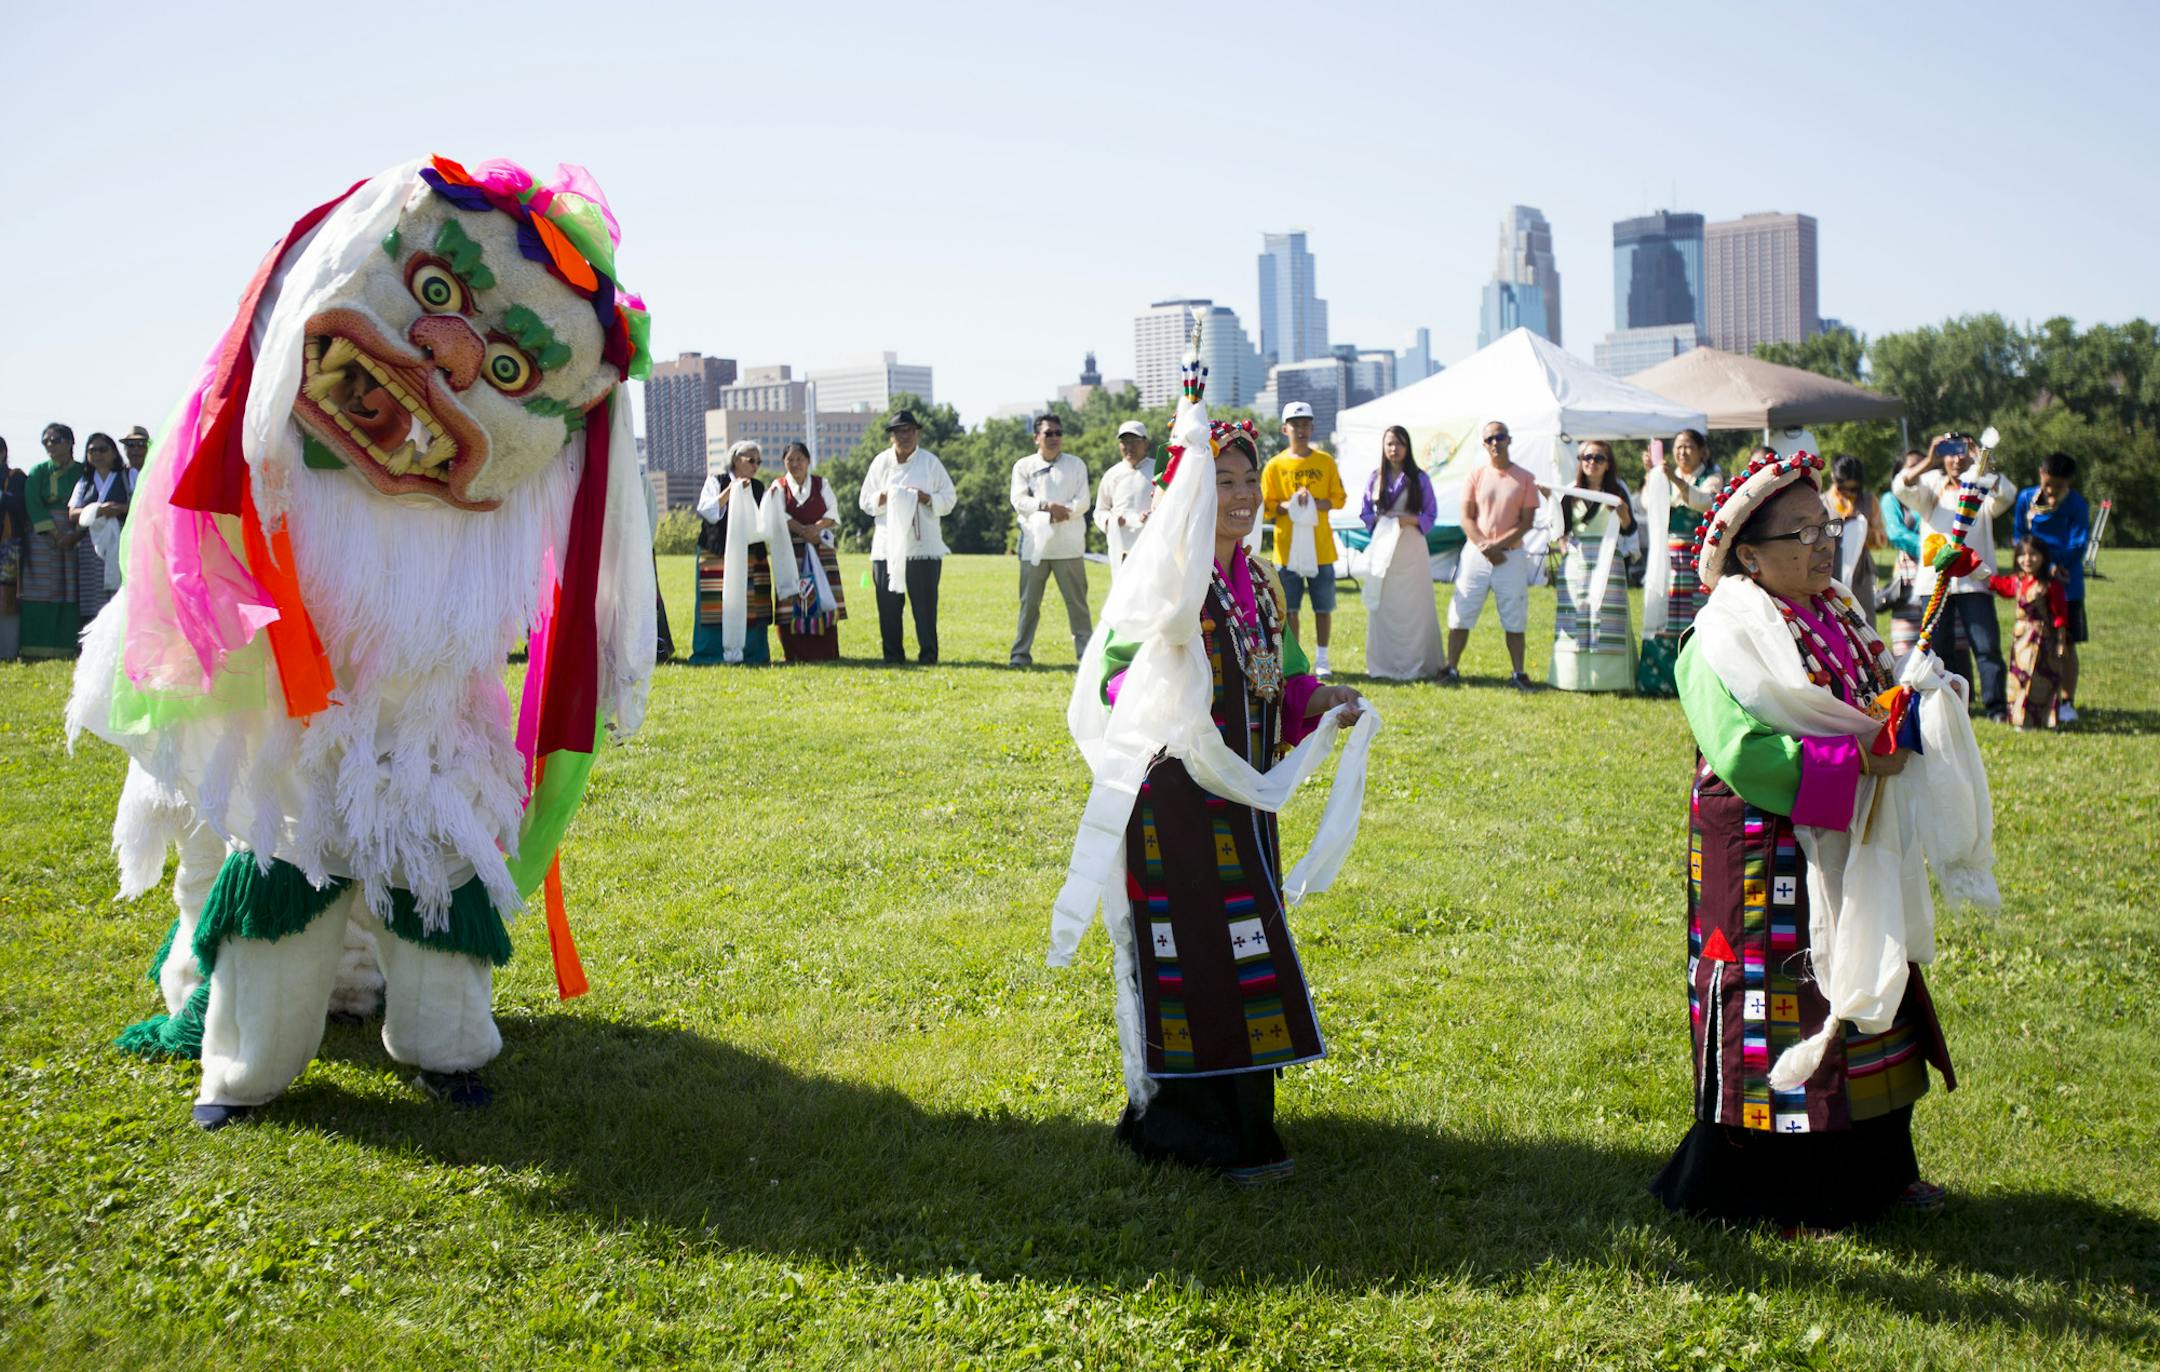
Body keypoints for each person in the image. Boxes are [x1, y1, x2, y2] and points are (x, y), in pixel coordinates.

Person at [1649, 449, 1996, 1233]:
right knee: (1782, 1009)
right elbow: (1743, 755)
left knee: (1873, 980)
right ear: (1747, 553)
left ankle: (1879, 1173)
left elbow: (1867, 697)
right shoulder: (1719, 638)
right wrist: (1859, 756)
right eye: (1800, 532)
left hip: (1852, 836)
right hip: (1762, 849)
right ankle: (1777, 1193)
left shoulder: (1836, 610)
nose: (1821, 544)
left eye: (1825, 527)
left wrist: (1906, 710)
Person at [1047, 374, 1375, 1185]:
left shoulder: (1261, 584)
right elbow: (1113, 682)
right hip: (1176, 807)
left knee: (1245, 945)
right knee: (1193, 951)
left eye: (1245, 481)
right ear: (1189, 486)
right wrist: (1167, 688)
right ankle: (1187, 1126)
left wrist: (1323, 700)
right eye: (1220, 480)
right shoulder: (1164, 581)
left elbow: (1281, 680)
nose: (1237, 496)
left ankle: (1241, 1119)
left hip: (1243, 804)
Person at [1893, 433, 2015, 721]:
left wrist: (1982, 462)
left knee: (1985, 645)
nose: (1957, 458)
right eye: (1950, 452)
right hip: (1935, 579)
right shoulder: (1932, 483)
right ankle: (1945, 705)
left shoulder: (1979, 482)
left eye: (1963, 452)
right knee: (1938, 647)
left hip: (1973, 578)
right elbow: (1900, 486)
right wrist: (1929, 459)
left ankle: (1995, 707)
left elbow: (2006, 495)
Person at [1441, 420, 1539, 689]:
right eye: (1490, 439)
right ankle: (1451, 668)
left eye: (1500, 437)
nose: (1495, 442)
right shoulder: (1476, 475)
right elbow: (1466, 517)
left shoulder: (1526, 478)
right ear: (1484, 445)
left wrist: (1498, 546)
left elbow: (1526, 521)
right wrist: (1485, 545)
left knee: (1514, 615)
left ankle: (1518, 672)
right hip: (1476, 554)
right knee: (1461, 611)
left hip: (1511, 556)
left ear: (1509, 440)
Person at [858, 410, 957, 665]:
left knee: (925, 607)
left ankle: (928, 656)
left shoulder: (930, 462)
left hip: (923, 545)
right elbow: (865, 501)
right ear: (892, 436)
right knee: (888, 606)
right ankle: (892, 656)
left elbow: (949, 499)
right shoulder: (880, 462)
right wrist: (886, 495)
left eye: (909, 431)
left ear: (918, 433)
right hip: (887, 546)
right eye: (899, 431)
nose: (905, 436)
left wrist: (924, 497)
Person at [1260, 401, 1347, 676]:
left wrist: (1313, 504)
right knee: (1290, 609)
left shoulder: (1325, 461)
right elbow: (1266, 507)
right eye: (1295, 425)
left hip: (1321, 548)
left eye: (1305, 424)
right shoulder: (1275, 466)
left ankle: (1322, 658)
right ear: (1285, 429)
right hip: (1287, 550)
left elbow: (1339, 499)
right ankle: (1295, 660)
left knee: (1323, 606)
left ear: (1312, 427)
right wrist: (1290, 506)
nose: (1301, 430)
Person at [1636, 429, 1722, 696]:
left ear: (1702, 451)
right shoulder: (1665, 476)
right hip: (1667, 555)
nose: (1682, 452)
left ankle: (1695, 681)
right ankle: (1658, 679)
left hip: (1696, 554)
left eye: (1688, 447)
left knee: (1693, 616)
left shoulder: (1712, 478)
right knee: (1664, 611)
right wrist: (1651, 476)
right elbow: (1648, 504)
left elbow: (1706, 503)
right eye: (1678, 447)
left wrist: (1673, 478)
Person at [1549, 440, 1637, 692]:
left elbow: (1630, 528)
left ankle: (1609, 679)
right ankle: (1572, 678)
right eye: (1586, 457)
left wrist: (1622, 512)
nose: (1592, 462)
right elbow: (1561, 529)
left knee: (1606, 618)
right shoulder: (1571, 491)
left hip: (1609, 559)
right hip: (1578, 562)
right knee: (1576, 615)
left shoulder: (1617, 490)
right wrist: (1551, 502)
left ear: (1608, 463)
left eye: (1599, 458)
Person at [1358, 425, 1443, 681]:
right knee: (1384, 605)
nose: (1394, 449)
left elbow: (1430, 514)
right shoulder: (1375, 478)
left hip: (1410, 546)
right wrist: (1380, 520)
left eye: (1399, 444)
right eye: (1390, 444)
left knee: (1415, 606)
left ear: (1408, 447)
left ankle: (1418, 663)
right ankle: (1384, 663)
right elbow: (1365, 513)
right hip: (1384, 546)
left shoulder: (1419, 479)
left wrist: (1409, 519)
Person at [1008, 414, 1093, 667]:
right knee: (1029, 605)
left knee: (1077, 605)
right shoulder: (1023, 466)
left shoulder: (1076, 464)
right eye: (1049, 433)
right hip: (1034, 547)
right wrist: (1046, 507)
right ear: (1037, 437)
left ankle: (1085, 656)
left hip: (1069, 546)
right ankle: (1020, 655)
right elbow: (1019, 501)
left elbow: (1083, 502)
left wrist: (1061, 513)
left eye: (1058, 433)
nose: (1055, 438)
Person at [2013, 452, 2090, 723]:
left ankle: (2067, 702)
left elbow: (2079, 543)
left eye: (2057, 487)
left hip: (2066, 586)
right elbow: (2018, 535)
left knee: (2064, 644)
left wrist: (2057, 565)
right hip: (2033, 585)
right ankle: (2032, 696)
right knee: (2031, 640)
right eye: (2047, 484)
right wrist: (2030, 565)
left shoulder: (2077, 505)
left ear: (2068, 482)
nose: (2050, 491)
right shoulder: (2026, 499)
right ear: (2040, 474)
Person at [691, 441, 774, 665]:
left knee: (753, 603)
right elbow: (707, 511)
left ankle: (753, 653)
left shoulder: (758, 487)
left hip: (750, 553)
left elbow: (764, 519)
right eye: (751, 460)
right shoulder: (716, 481)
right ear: (736, 460)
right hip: (716, 551)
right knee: (715, 603)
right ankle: (712, 652)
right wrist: (732, 490)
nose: (756, 465)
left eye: (759, 461)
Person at [773, 441, 847, 662]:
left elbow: (833, 512)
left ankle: (825, 650)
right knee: (792, 598)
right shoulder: (778, 486)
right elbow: (777, 514)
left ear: (808, 461)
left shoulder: (821, 483)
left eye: (800, 459)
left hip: (820, 547)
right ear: (784, 462)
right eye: (790, 460)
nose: (795, 464)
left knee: (823, 596)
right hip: (790, 551)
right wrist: (802, 530)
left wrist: (816, 528)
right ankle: (794, 651)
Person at [1987, 537, 2069, 731]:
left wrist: (2061, 642)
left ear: (2043, 557)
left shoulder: (2049, 585)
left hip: (2043, 640)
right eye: (2023, 555)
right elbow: (2000, 586)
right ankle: (2020, 718)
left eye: (2033, 554)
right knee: (2019, 678)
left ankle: (2046, 720)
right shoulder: (2018, 581)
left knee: (2043, 680)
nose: (2028, 559)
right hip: (2021, 640)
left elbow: (2059, 615)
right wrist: (1974, 571)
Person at [20, 423, 84, 659]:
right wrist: (56, 535)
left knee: (72, 589)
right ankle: (35, 646)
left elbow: (87, 499)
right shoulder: (38, 471)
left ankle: (67, 646)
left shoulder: (81, 471)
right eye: (46, 441)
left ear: (69, 443)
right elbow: (33, 504)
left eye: (55, 440)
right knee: (41, 589)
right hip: (43, 537)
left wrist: (74, 534)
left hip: (76, 534)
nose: (50, 445)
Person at [68, 431, 133, 622]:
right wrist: (98, 510)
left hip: (120, 537)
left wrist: (119, 508)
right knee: (93, 591)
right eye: (92, 450)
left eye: (102, 449)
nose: (97, 454)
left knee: (121, 587)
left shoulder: (126, 476)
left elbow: (139, 504)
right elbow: (72, 513)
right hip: (92, 543)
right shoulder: (84, 481)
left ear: (113, 453)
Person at [1878, 449, 1929, 660]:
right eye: (1911, 467)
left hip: (1938, 572)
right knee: (1907, 649)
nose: (1918, 472)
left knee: (1943, 641)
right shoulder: (1892, 499)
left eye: (1923, 466)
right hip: (1909, 577)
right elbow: (1895, 532)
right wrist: (1929, 547)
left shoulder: (1933, 494)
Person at [1825, 455, 1887, 618]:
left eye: (1853, 489)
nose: (1848, 493)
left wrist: (1862, 530)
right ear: (1833, 478)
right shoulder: (1822, 502)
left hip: (1861, 572)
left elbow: (1881, 539)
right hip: (1829, 567)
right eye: (1842, 488)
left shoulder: (1868, 500)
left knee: (1863, 616)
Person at [1094, 420, 1155, 572]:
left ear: (1145, 443)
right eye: (1124, 441)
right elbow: (1100, 510)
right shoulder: (1112, 474)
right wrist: (1110, 521)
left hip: (1153, 547)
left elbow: (1172, 506)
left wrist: (1153, 516)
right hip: (1121, 548)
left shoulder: (1159, 470)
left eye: (1134, 441)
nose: (1129, 447)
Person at [0, 437, 23, 660]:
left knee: (7, 600)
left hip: (8, 548)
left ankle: (7, 651)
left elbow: (17, 504)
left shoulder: (15, 477)